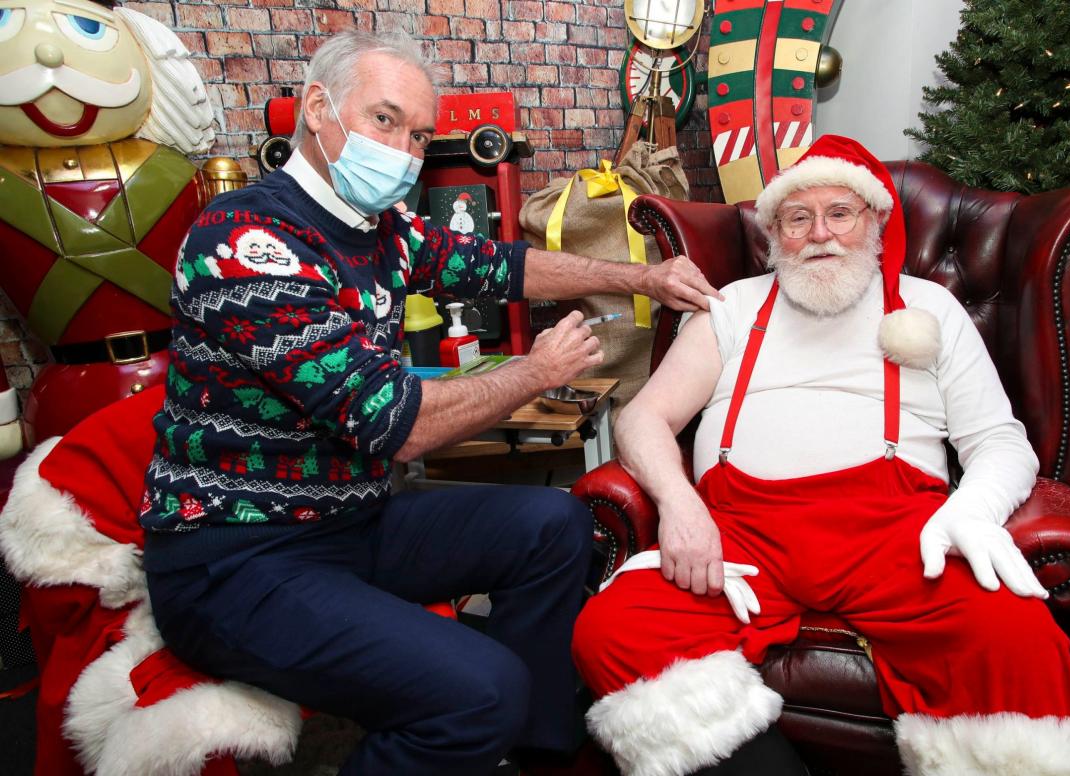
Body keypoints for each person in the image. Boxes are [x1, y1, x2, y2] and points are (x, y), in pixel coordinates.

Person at [140, 30, 720, 776]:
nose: (406, 152)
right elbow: (397, 425)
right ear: (318, 108)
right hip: (237, 559)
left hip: (348, 522)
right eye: (386, 122)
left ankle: (533, 750)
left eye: (418, 135)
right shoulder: (246, 238)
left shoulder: (379, 228)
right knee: (479, 691)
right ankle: (482, 718)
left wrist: (641, 279)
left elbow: (501, 266)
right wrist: (534, 372)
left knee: (553, 522)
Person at [570, 135, 1070, 776]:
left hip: (897, 538)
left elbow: (999, 441)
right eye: (797, 217)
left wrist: (971, 513)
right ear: (774, 232)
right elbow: (644, 416)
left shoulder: (927, 308)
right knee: (612, 630)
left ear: (874, 222)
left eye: (840, 213)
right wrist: (678, 504)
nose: (819, 233)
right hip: (742, 540)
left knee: (1014, 637)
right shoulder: (733, 307)